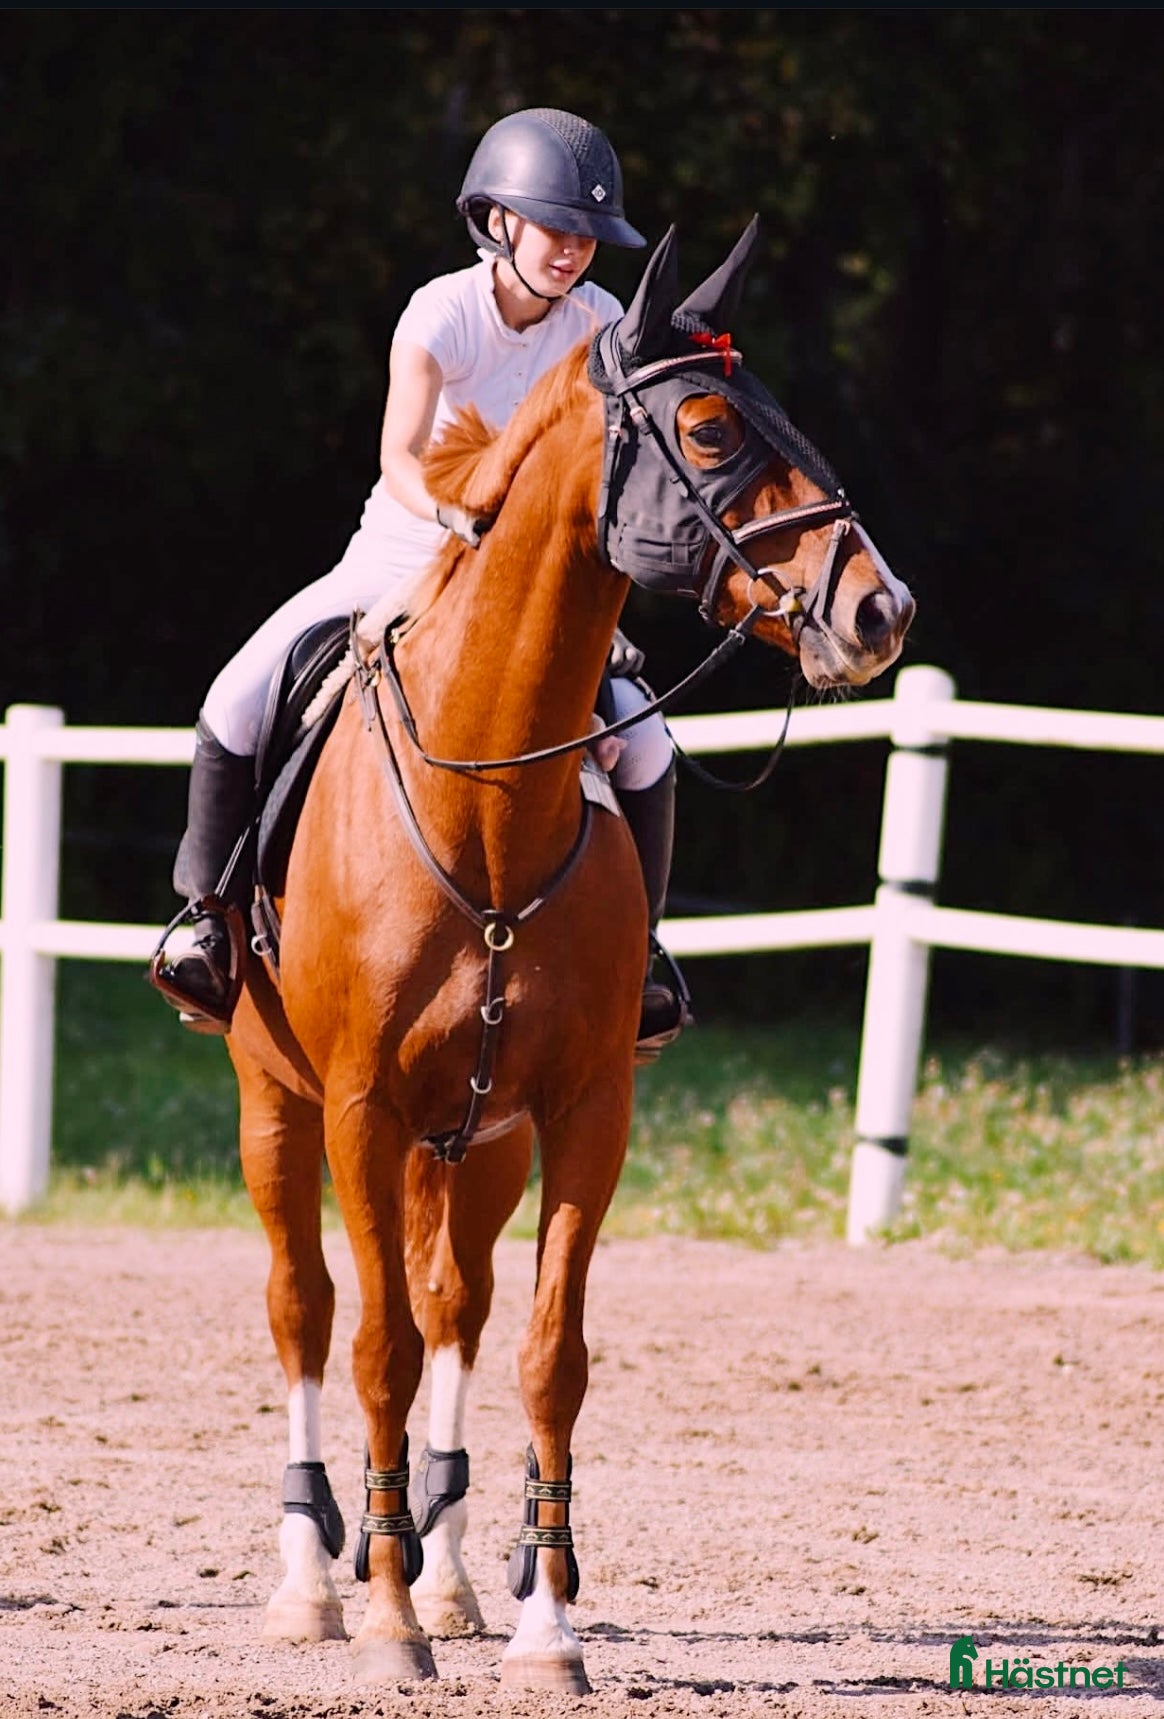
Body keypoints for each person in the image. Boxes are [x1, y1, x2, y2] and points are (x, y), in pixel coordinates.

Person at [154, 107, 686, 1051]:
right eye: (557, 229)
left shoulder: (601, 322)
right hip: (404, 554)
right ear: (498, 223)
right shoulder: (442, 311)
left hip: (528, 586)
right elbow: (400, 454)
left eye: (589, 237)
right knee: (234, 696)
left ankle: (639, 958)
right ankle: (211, 918)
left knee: (645, 749)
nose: (574, 252)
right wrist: (451, 511)